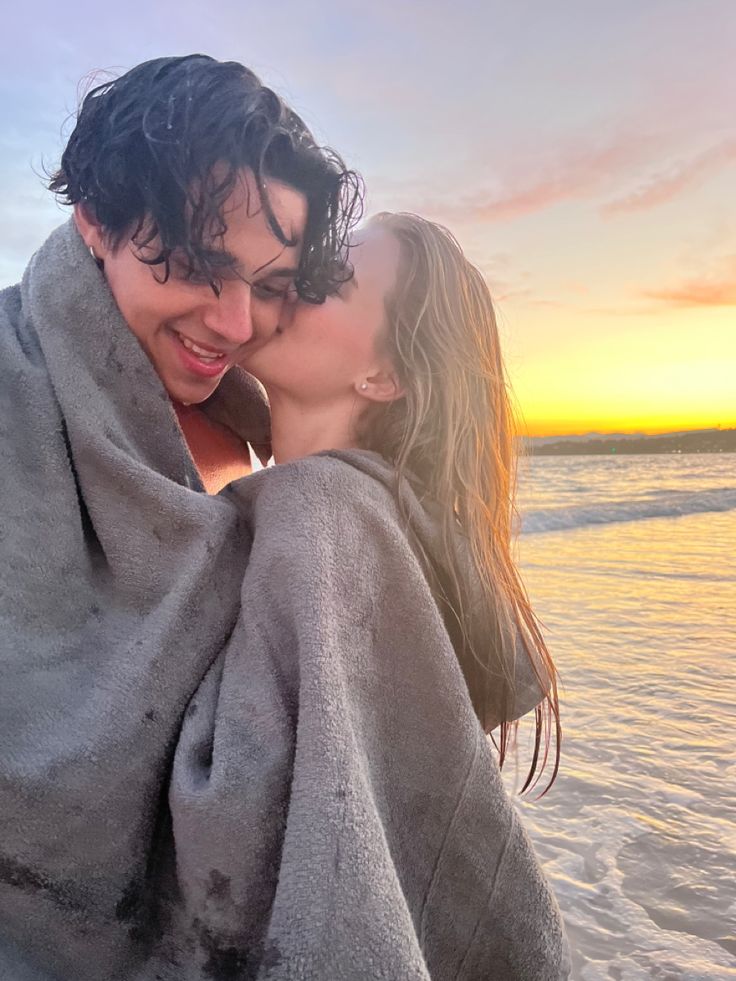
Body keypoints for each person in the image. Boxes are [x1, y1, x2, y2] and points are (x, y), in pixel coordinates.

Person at [0, 54, 361, 980]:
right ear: (97, 219)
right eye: (201, 263)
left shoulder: (256, 428)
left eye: (273, 283)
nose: (236, 323)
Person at [147, 214, 570, 978]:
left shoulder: (320, 510)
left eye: (331, 281)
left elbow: (243, 835)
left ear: (382, 376)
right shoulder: (388, 517)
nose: (292, 284)